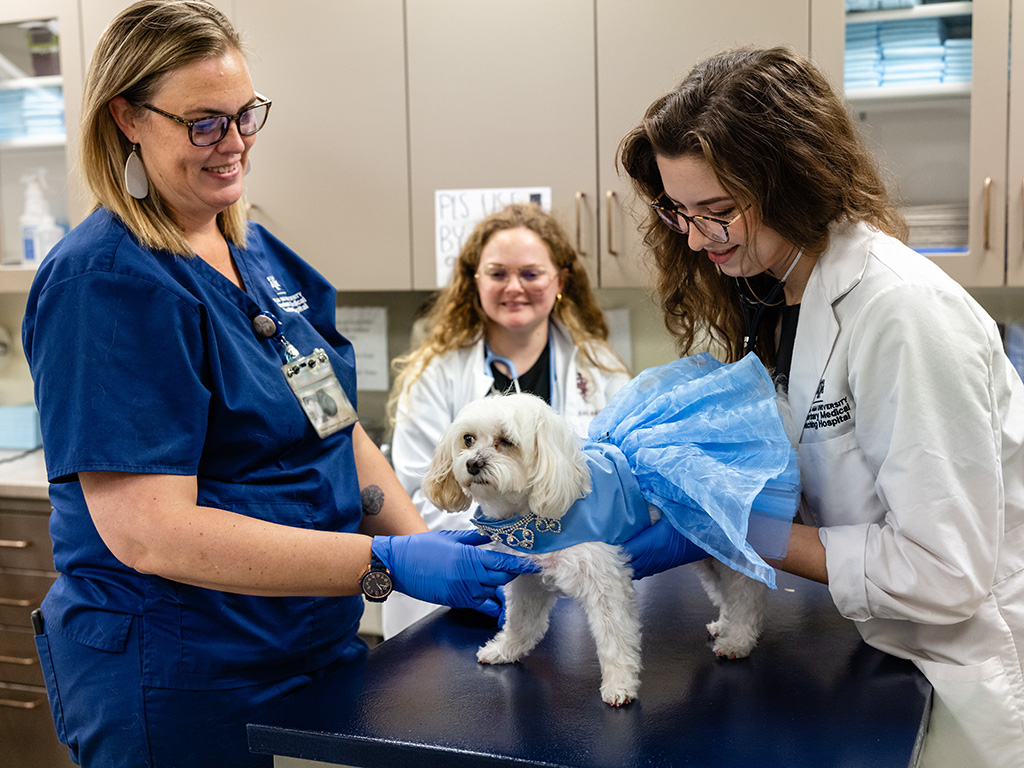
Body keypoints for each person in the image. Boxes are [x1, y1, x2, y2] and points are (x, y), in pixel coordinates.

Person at [20, 3, 536, 766]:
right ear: (127, 117)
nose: (235, 145)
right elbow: (150, 530)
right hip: (184, 677)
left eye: (246, 115)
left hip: (309, 650)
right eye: (204, 124)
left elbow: (335, 429)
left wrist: (435, 560)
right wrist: (389, 563)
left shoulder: (256, 253)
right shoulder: (106, 282)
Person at [616, 46, 1024, 767]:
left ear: (794, 180)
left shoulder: (902, 312)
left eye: (718, 212)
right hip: (895, 651)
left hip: (975, 677)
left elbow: (948, 572)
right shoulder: (781, 289)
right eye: (680, 212)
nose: (695, 237)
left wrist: (751, 529)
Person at [383, 202, 631, 637]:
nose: (514, 287)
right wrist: (501, 551)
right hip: (462, 594)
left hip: (577, 592)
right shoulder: (434, 375)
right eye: (497, 273)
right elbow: (417, 493)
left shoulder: (599, 369)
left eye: (531, 273)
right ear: (474, 281)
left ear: (560, 281)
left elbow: (620, 478)